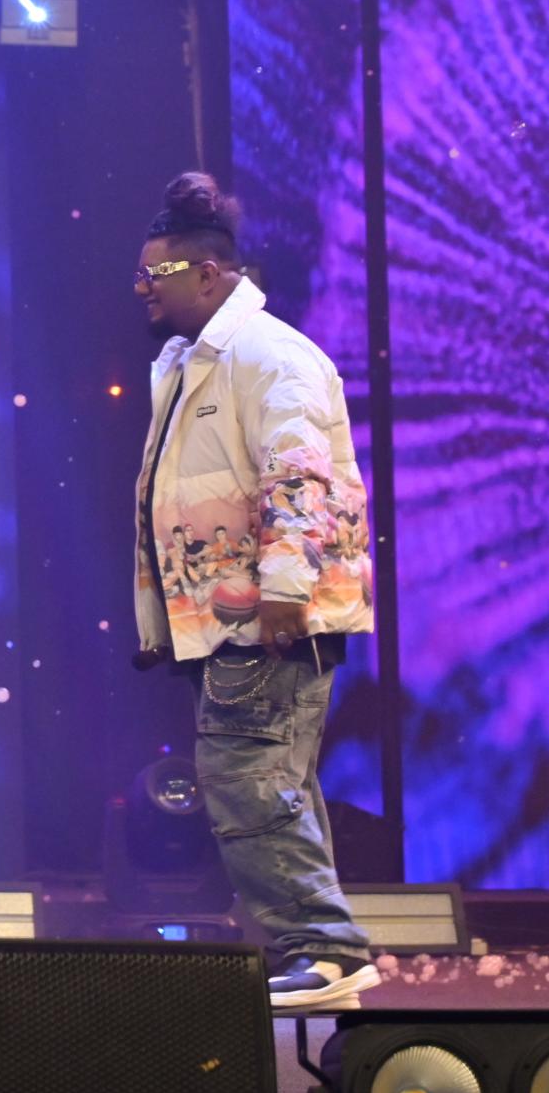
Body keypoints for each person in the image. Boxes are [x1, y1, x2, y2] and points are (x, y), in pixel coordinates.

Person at [130, 171, 378, 1008]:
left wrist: (284, 589)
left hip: (266, 617)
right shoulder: (193, 365)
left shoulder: (269, 357)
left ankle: (326, 949)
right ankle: (324, 956)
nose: (142, 288)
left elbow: (299, 478)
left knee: (245, 776)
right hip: (232, 617)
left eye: (156, 274)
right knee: (273, 782)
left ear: (209, 274)